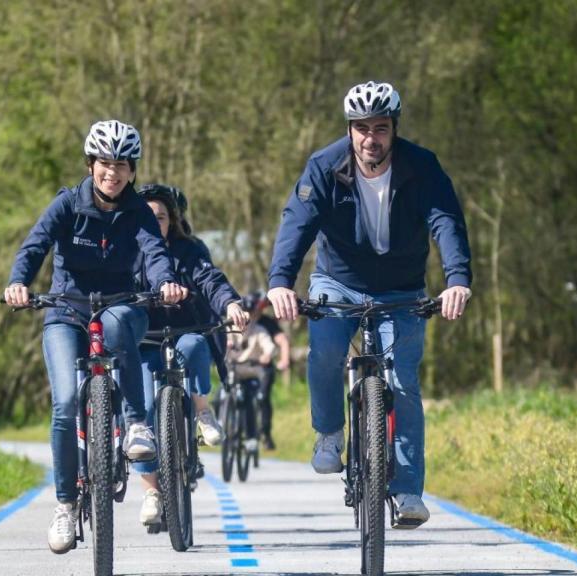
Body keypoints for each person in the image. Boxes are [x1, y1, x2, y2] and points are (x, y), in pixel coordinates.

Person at [266, 81, 473, 528]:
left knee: (402, 380)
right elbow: (297, 224)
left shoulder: (422, 167)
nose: (371, 138)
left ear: (394, 129)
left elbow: (446, 222)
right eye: (362, 128)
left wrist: (457, 280)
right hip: (337, 280)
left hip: (401, 288)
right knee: (324, 351)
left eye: (380, 128)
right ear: (350, 130)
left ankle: (407, 493)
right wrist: (280, 282)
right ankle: (329, 433)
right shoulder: (324, 166)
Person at [3, 120, 188, 554]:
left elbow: (155, 252)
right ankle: (66, 504)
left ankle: (136, 423)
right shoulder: (67, 204)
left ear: (131, 170)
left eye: (122, 164)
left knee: (123, 324)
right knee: (66, 403)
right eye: (105, 162)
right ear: (91, 165)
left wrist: (165, 283)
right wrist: (18, 283)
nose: (113, 172)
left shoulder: (139, 210)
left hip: (119, 303)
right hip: (67, 310)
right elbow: (35, 247)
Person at [131, 183, 249, 526]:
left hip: (184, 332)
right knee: (143, 414)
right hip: (145, 340)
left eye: (162, 217)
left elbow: (211, 280)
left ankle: (202, 411)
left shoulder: (189, 250)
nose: (156, 222)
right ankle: (152, 491)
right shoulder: (127, 252)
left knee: (197, 345)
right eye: (148, 217)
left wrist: (230, 303)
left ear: (173, 220)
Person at [231, 291, 291, 450]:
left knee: (262, 397)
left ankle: (265, 433)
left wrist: (283, 360)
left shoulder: (265, 323)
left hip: (262, 365)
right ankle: (233, 429)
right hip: (240, 365)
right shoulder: (237, 322)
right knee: (234, 396)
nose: (251, 313)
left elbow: (282, 341)